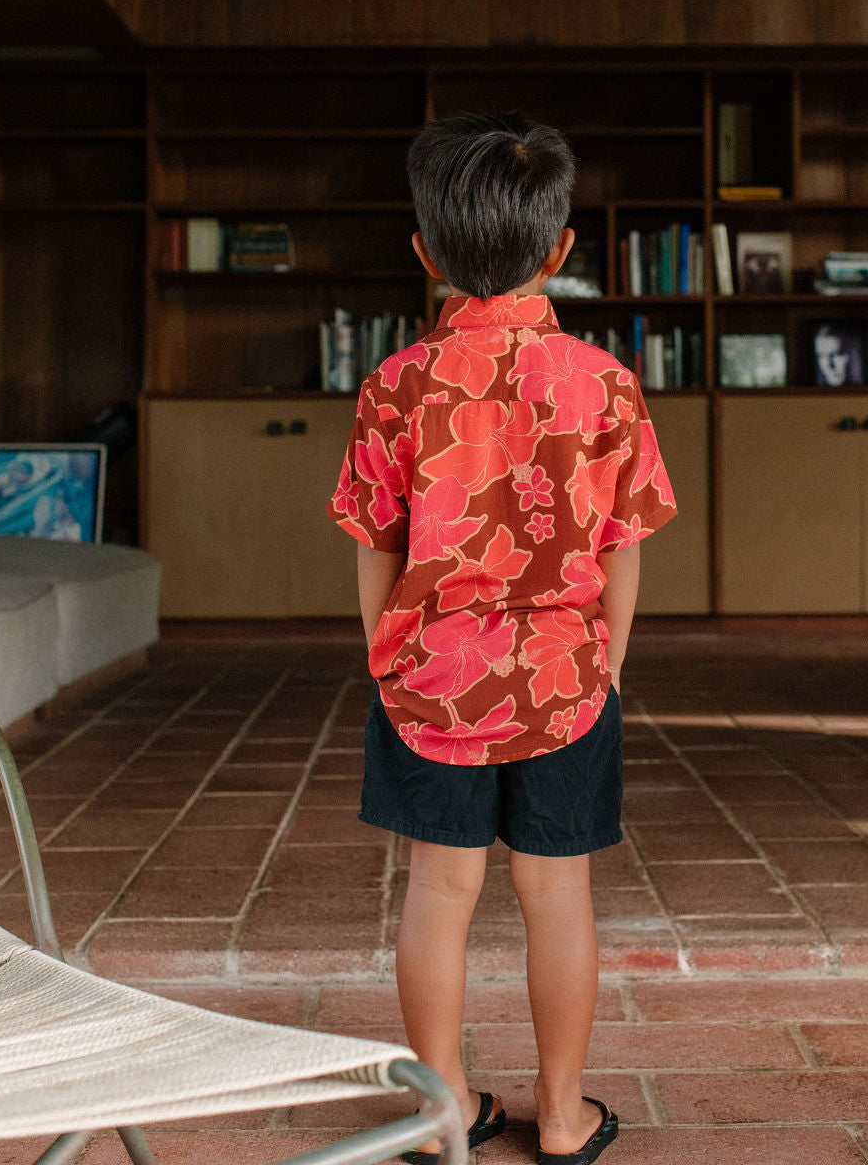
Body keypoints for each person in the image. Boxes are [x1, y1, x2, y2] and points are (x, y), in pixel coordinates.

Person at [328, 112, 677, 1163]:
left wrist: (386, 657)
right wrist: (606, 657)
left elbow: (375, 547)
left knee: (437, 894)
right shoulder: (604, 383)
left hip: (428, 678)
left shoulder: (395, 385)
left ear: (425, 251)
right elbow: (622, 543)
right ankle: (564, 1118)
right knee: (555, 893)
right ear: (562, 250)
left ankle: (444, 1117)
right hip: (565, 678)